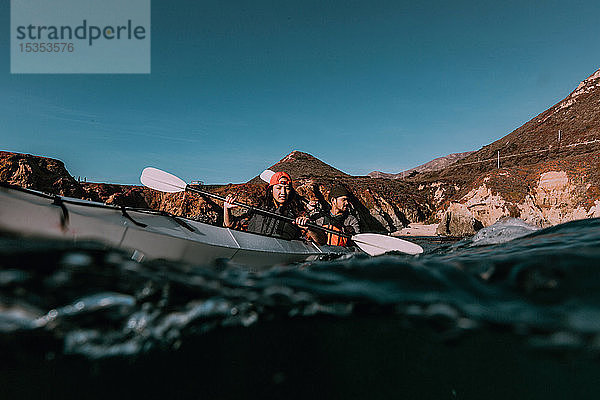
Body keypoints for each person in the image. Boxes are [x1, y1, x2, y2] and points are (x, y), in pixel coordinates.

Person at [223, 171, 320, 241]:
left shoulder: (298, 212)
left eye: (287, 189)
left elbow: (321, 241)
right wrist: (226, 209)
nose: (283, 192)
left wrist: (310, 228)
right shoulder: (258, 208)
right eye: (278, 188)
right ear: (271, 190)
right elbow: (230, 225)